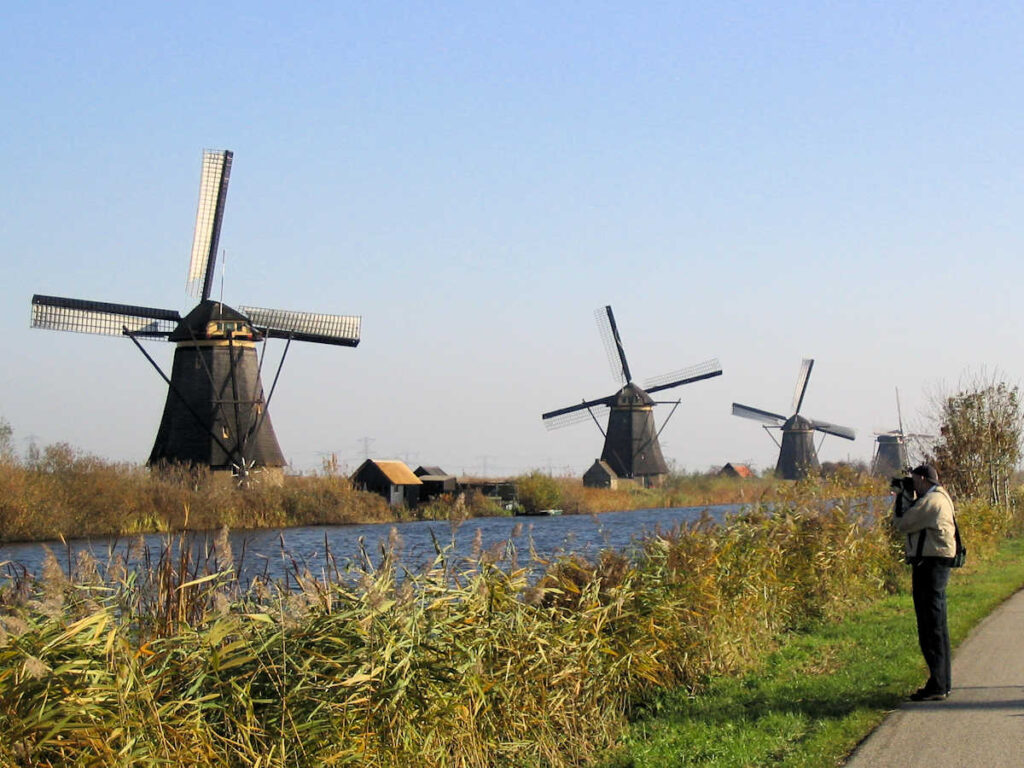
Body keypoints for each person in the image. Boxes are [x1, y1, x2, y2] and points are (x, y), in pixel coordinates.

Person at [893, 463, 958, 701]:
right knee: (936, 625)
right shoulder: (939, 497)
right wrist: (909, 495)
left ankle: (938, 685)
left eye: (914, 479)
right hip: (934, 564)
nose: (913, 483)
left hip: (930, 566)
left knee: (931, 626)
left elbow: (903, 523)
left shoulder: (932, 501)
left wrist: (902, 496)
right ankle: (941, 682)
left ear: (922, 479)